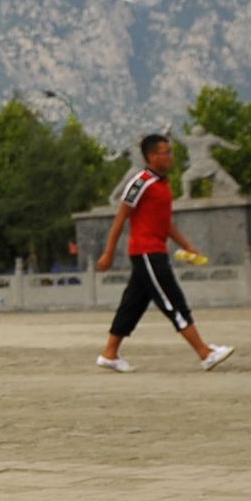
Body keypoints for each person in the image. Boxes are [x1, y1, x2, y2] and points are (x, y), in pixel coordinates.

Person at [95, 133, 234, 373]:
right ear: (151, 156)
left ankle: (110, 354)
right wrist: (108, 252)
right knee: (173, 302)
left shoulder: (162, 183)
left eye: (171, 151)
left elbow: (165, 222)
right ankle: (205, 352)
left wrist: (186, 244)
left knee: (132, 304)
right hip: (146, 252)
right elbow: (121, 217)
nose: (171, 156)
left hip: (154, 251)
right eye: (166, 152)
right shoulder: (141, 181)